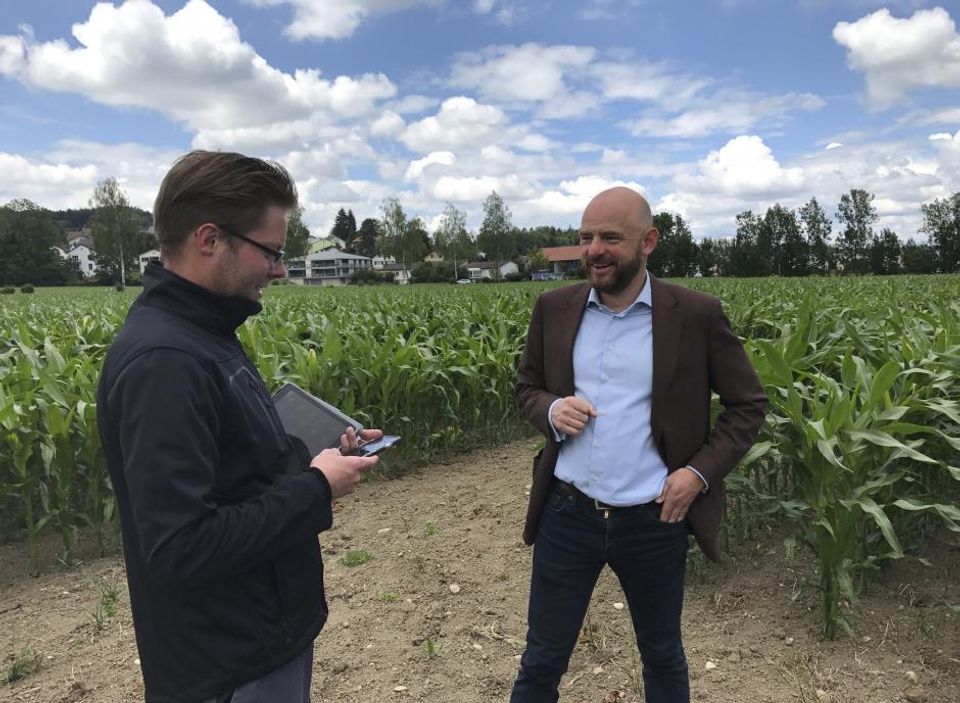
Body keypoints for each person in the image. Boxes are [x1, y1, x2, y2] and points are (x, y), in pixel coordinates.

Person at [97, 150, 380, 703]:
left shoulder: (203, 330)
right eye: (271, 252)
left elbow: (235, 467)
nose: (278, 269)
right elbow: (182, 547)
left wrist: (316, 454)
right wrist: (317, 487)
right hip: (227, 664)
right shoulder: (165, 360)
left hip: (255, 636)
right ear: (209, 239)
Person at [510, 187, 767, 703]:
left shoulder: (694, 314)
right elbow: (527, 389)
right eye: (586, 238)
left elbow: (748, 405)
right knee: (541, 661)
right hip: (567, 513)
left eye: (610, 237)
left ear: (648, 241)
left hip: (654, 521)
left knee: (662, 656)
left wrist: (697, 474)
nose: (594, 251)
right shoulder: (554, 307)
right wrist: (552, 411)